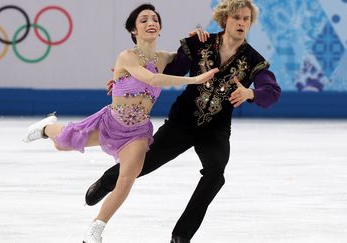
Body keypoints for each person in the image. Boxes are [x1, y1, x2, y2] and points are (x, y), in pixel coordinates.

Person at [84, 0, 281, 242]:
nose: (241, 23)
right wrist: (124, 81)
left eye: (246, 19)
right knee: (142, 164)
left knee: (215, 174)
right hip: (182, 122)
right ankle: (107, 181)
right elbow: (167, 71)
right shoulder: (200, 43)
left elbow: (271, 91)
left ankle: (181, 235)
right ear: (224, 20)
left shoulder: (253, 60)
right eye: (236, 17)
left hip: (216, 130)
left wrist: (251, 93)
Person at [22, 4, 218, 243]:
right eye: (143, 19)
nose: (150, 22)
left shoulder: (164, 58)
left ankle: (96, 229)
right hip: (110, 124)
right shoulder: (127, 56)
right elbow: (152, 78)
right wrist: (195, 79)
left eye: (154, 19)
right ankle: (46, 128)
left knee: (126, 180)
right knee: (62, 142)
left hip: (137, 133)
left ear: (159, 28)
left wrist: (195, 36)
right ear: (133, 30)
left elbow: (188, 53)